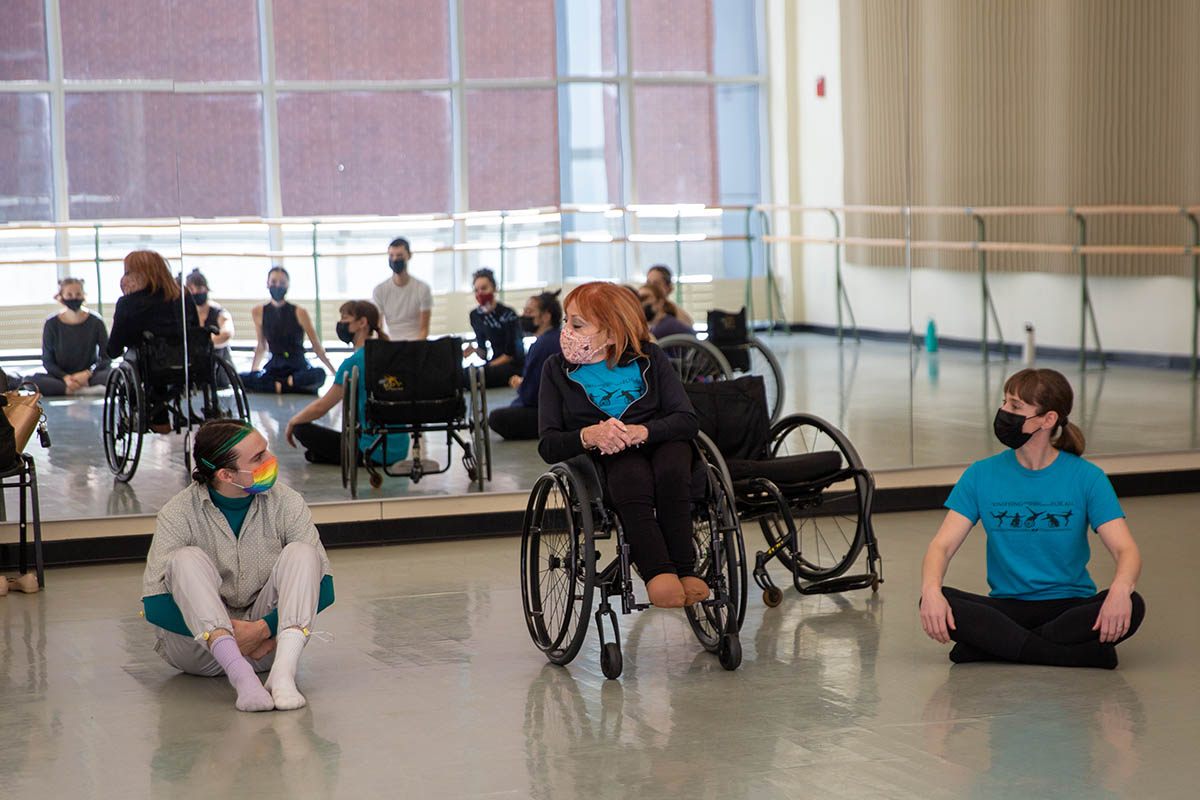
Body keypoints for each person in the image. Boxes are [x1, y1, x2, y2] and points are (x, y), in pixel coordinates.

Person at [919, 368, 1146, 669]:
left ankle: (990, 647)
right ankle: (1074, 654)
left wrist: (1120, 591)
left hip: (1069, 606)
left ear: (1048, 419)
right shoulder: (980, 474)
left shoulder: (1087, 477)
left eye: (1015, 406)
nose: (1003, 412)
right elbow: (942, 546)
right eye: (1004, 402)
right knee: (934, 599)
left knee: (1134, 603)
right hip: (1006, 607)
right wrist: (931, 591)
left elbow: (1125, 550)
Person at [141, 419, 335, 711]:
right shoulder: (178, 513)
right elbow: (155, 606)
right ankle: (243, 679)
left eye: (266, 451)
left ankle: (282, 678)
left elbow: (326, 588)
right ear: (226, 475)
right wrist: (229, 638)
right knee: (185, 559)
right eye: (258, 458)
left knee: (303, 553)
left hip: (268, 648)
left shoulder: (287, 502)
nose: (271, 460)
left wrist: (261, 630)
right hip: (197, 650)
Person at [538, 281, 705, 609]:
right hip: (607, 457)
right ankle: (659, 572)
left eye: (577, 324)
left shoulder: (649, 358)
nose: (566, 331)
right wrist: (590, 435)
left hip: (657, 440)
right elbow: (548, 444)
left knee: (673, 466)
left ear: (612, 332)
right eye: (565, 322)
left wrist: (644, 430)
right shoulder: (555, 370)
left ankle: (686, 571)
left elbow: (686, 419)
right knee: (630, 476)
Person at [285, 300, 409, 466]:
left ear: (362, 323)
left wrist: (293, 421)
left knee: (302, 429)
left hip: (371, 450)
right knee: (312, 454)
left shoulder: (354, 362)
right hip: (399, 449)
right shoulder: (390, 354)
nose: (341, 323)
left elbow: (321, 407)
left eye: (345, 318)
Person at [106, 250, 200, 431]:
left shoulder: (128, 303)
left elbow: (114, 349)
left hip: (150, 365)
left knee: (139, 355)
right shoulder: (183, 296)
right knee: (161, 355)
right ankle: (160, 417)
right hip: (190, 362)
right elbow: (195, 328)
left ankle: (157, 417)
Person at [240, 267, 335, 394]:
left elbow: (316, 346)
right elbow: (261, 346)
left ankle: (279, 386)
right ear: (267, 284)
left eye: (282, 283)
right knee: (241, 378)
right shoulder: (258, 312)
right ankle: (289, 386)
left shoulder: (300, 312)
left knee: (319, 374)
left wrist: (335, 373)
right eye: (274, 282)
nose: (278, 286)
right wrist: (253, 374)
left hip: (298, 365)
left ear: (287, 286)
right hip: (275, 366)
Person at [488, 289, 562, 440]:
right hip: (559, 405)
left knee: (496, 418)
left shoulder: (541, 346)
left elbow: (530, 395)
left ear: (546, 317)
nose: (524, 316)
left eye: (529, 312)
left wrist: (521, 384)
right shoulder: (558, 337)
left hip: (546, 410)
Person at [26, 277, 111, 396]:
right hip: (61, 377)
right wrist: (66, 377)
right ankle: (79, 390)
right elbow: (48, 360)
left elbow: (106, 357)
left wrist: (87, 374)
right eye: (69, 295)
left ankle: (71, 390)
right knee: (30, 381)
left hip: (89, 375)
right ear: (61, 297)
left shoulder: (96, 321)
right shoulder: (51, 323)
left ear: (83, 295)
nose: (74, 298)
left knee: (113, 374)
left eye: (78, 294)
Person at [464, 267, 525, 388]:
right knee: (465, 374)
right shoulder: (476, 315)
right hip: (494, 362)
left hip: (513, 364)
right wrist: (474, 350)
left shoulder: (508, 314)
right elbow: (483, 352)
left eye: (484, 288)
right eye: (476, 290)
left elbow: (511, 353)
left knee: (478, 375)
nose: (480, 293)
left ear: (494, 289)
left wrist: (487, 367)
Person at [372, 237, 432, 341]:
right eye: (391, 256)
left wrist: (417, 350)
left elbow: (424, 329)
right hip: (390, 346)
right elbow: (378, 328)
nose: (395, 259)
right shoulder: (379, 290)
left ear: (409, 256)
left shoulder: (422, 288)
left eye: (399, 255)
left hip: (416, 345)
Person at [184, 269, 235, 371]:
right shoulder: (186, 314)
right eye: (191, 289)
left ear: (206, 289)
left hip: (219, 370)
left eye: (199, 288)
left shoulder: (219, 312)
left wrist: (203, 344)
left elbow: (227, 333)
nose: (195, 292)